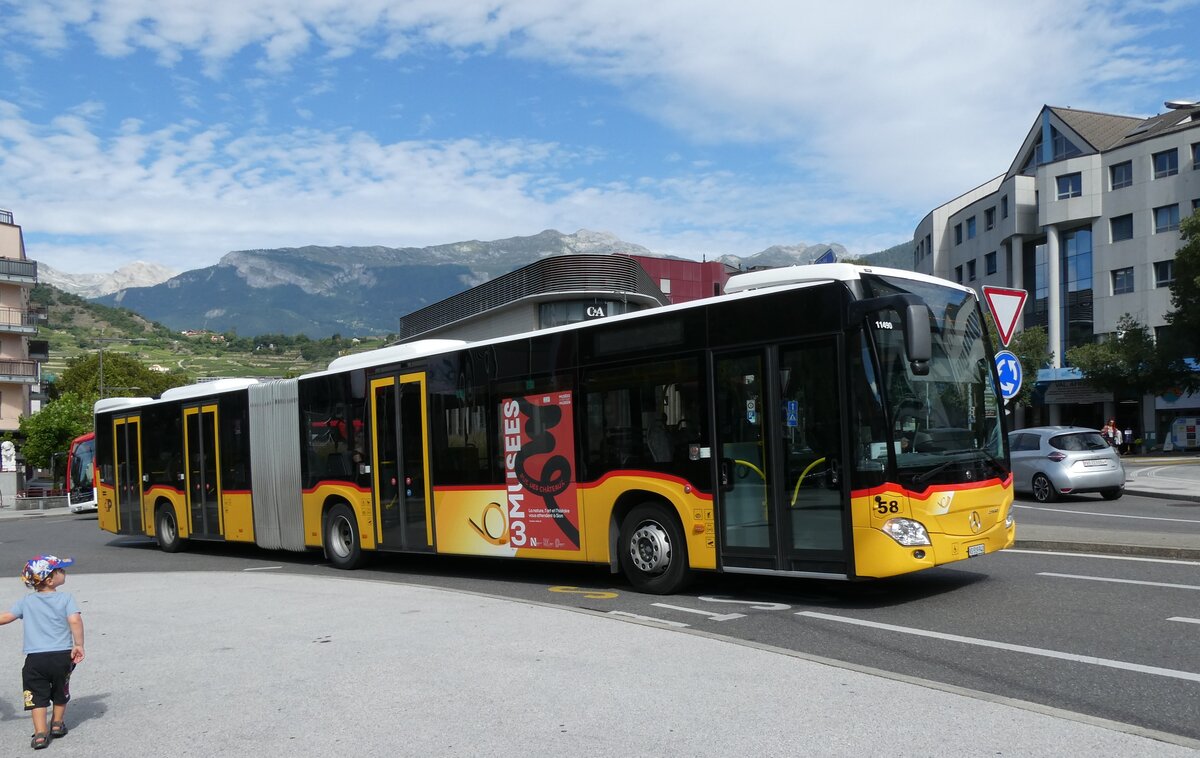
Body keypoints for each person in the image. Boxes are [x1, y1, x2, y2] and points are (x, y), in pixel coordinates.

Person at [0, 556, 85, 750]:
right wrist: (78, 644)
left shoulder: (26, 601)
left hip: (35, 659)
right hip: (61, 656)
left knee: (36, 696)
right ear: (49, 580)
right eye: (60, 570)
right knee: (60, 689)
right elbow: (75, 621)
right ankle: (56, 724)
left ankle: (40, 734)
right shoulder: (66, 598)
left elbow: (5, 617)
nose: (64, 572)